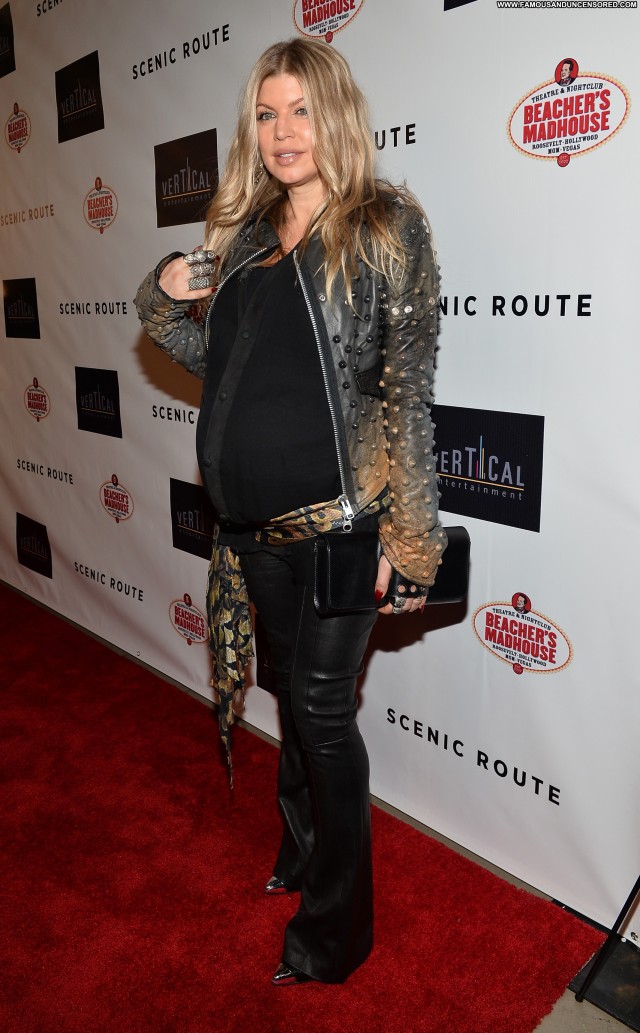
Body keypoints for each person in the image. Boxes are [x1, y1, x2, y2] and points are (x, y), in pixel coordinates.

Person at [135, 38, 446, 987]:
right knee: (300, 706)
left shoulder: (385, 226)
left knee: (319, 708)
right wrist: (161, 295)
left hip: (344, 521)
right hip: (252, 531)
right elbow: (216, 358)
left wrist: (410, 539)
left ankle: (336, 929)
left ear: (336, 115)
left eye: (301, 110)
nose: (283, 132)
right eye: (267, 114)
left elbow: (409, 394)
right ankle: (302, 852)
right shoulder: (245, 236)